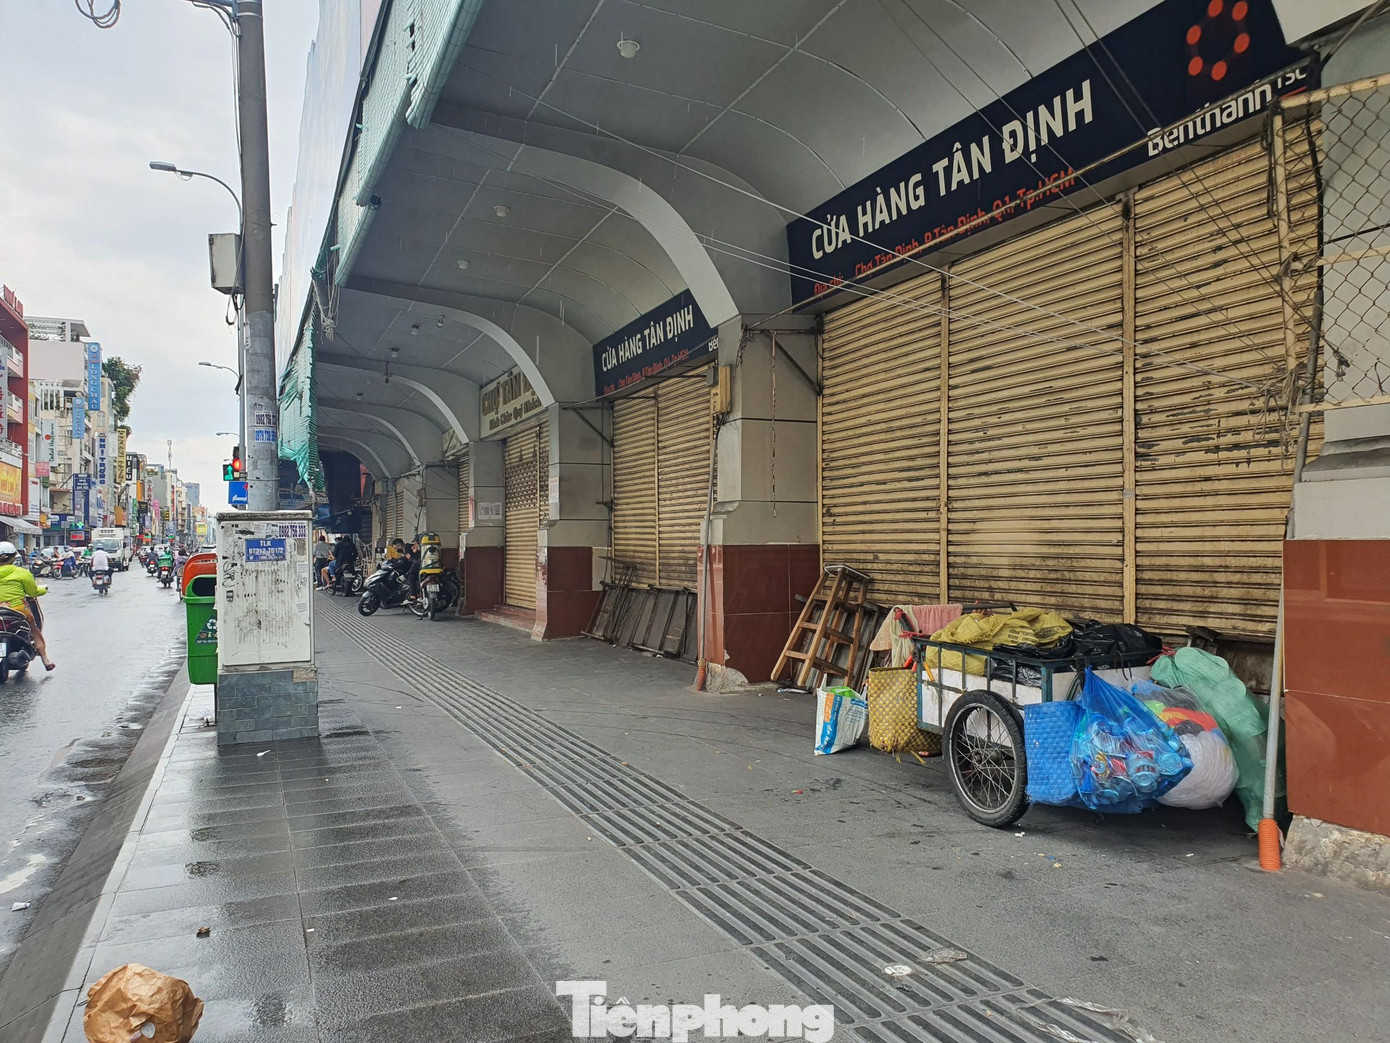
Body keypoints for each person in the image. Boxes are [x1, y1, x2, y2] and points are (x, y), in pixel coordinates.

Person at [0, 541, 55, 671]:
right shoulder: (22, 573)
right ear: (13, 557)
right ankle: (45, 660)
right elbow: (33, 592)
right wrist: (44, 589)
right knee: (34, 630)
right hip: (17, 610)